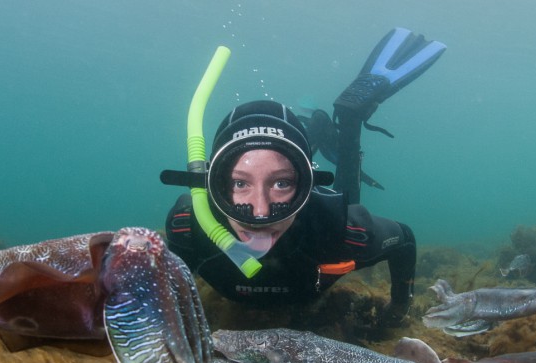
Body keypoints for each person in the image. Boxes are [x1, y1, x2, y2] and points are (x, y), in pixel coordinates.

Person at [162, 28, 445, 323]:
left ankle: (349, 121)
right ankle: (316, 136)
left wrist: (397, 311)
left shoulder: (345, 231)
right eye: (239, 183)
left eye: (282, 183)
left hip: (323, 213)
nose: (260, 212)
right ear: (212, 184)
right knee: (287, 160)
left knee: (346, 193)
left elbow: (405, 240)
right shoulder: (187, 227)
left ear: (307, 186)